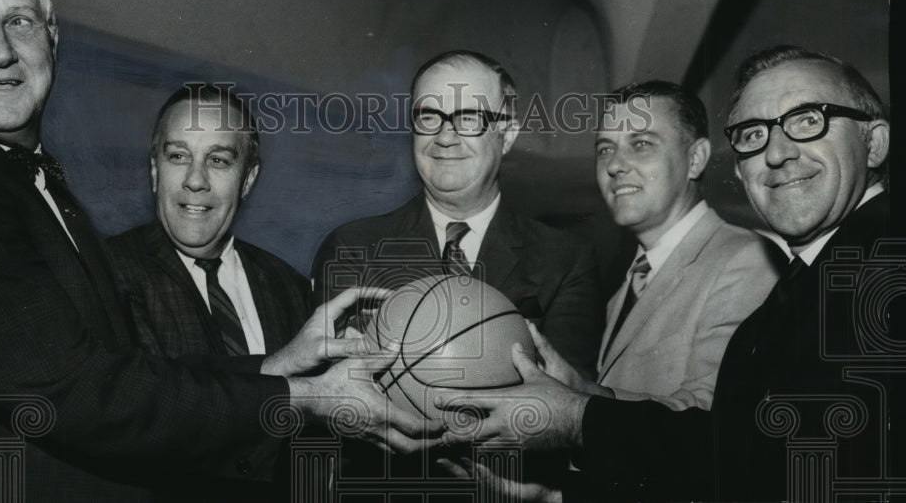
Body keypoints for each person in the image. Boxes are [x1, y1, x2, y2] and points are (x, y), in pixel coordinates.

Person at [0, 0, 432, 502]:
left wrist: (279, 366)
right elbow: (77, 393)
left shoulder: (24, 179)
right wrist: (301, 397)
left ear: (52, 41)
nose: (0, 51)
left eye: (21, 22)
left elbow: (115, 371)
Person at [437, 46, 897, 501]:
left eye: (806, 121)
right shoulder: (631, 286)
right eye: (754, 133)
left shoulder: (867, 267)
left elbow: (753, 446)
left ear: (874, 142)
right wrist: (557, 484)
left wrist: (577, 416)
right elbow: (740, 458)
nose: (776, 152)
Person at [312, 50, 603, 376]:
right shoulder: (353, 248)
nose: (445, 137)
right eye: (428, 117)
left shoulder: (564, 260)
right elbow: (339, 393)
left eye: (468, 118)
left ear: (506, 135)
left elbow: (568, 400)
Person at [105, 85, 314, 500]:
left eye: (218, 161)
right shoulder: (106, 271)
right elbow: (144, 409)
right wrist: (276, 371)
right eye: (178, 156)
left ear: (248, 178)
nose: (195, 181)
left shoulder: (289, 286)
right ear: (154, 169)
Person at [584, 80, 779, 410]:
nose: (615, 165)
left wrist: (576, 404)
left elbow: (711, 411)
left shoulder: (746, 260)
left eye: (641, 143)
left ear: (696, 158)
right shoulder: (623, 287)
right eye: (605, 149)